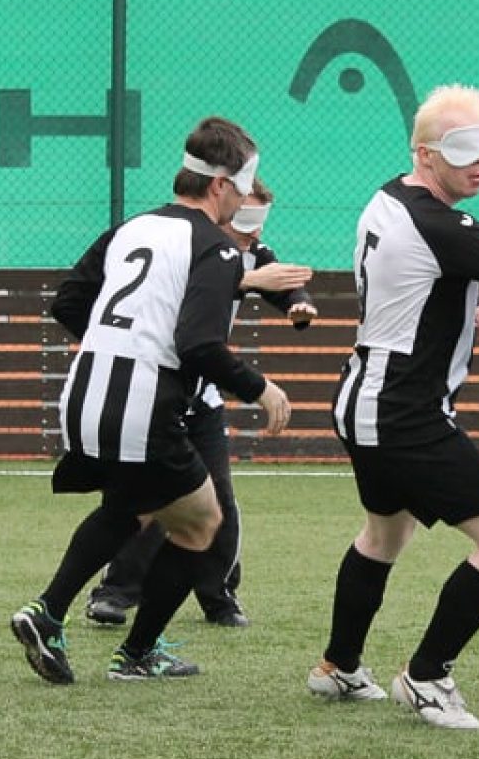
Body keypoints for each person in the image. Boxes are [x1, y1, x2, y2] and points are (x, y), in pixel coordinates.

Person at [306, 83, 479, 730]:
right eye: (464, 149)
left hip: (365, 399)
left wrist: (460, 303)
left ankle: (337, 667)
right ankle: (426, 677)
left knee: (384, 534)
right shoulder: (438, 222)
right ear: (424, 153)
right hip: (405, 415)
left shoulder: (393, 194)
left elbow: (416, 279)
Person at [11, 116, 291, 685]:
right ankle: (136, 653)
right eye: (240, 190)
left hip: (85, 392)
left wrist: (114, 343)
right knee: (201, 523)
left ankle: (48, 613)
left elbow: (68, 302)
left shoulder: (131, 227)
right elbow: (199, 345)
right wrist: (258, 387)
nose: (242, 201)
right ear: (220, 186)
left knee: (130, 508)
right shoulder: (216, 249)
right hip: (143, 402)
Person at [83, 179, 317, 630]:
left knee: (219, 503)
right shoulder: (193, 249)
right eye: (245, 219)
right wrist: (246, 280)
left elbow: (284, 284)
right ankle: (115, 592)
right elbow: (197, 293)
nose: (252, 234)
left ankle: (219, 596)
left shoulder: (250, 253)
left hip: (202, 399)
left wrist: (298, 305)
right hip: (158, 391)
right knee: (144, 503)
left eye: (259, 224)